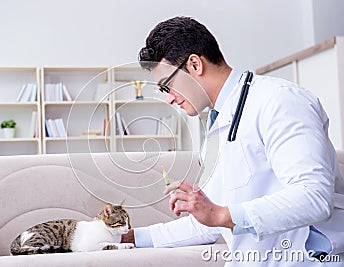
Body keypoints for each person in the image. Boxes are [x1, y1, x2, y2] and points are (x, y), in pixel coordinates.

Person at [121, 16, 344, 266]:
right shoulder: (217, 126)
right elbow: (211, 224)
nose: (169, 99)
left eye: (167, 86)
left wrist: (220, 214)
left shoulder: (280, 101)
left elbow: (313, 198)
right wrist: (131, 237)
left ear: (194, 64)